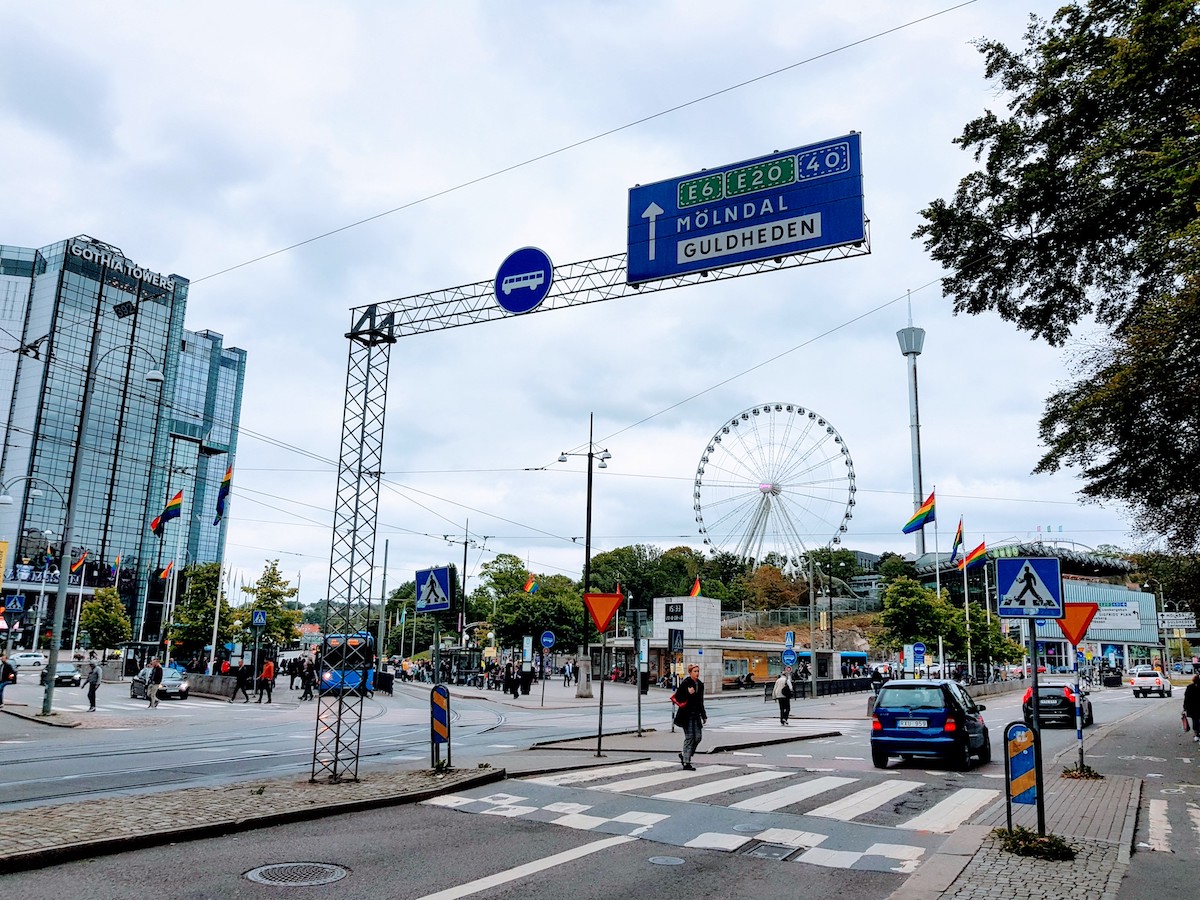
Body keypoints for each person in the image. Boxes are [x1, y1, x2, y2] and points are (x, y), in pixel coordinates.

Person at [672, 663, 708, 770]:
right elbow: (678, 697)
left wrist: (704, 715)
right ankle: (686, 762)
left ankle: (684, 755)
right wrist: (688, 693)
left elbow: (700, 701)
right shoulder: (686, 683)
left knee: (698, 737)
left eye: (698, 671)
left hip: (696, 715)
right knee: (689, 737)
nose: (697, 673)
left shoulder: (700, 684)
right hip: (686, 715)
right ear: (690, 672)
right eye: (695, 671)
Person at [1184, 674, 1200, 742]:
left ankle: (1196, 734)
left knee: (1195, 720)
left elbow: (1187, 698)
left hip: (1193, 707)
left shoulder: (1190, 687)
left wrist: (1185, 707)